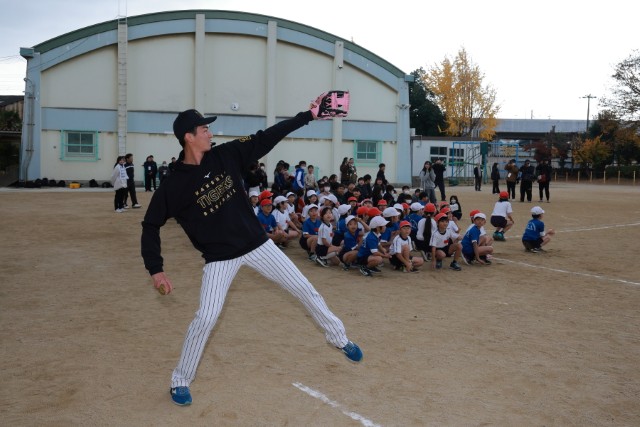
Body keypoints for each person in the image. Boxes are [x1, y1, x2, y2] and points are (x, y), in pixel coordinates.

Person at [140, 98, 363, 407]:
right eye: (204, 129)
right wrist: (156, 269)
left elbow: (266, 137)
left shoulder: (226, 155)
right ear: (188, 137)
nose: (210, 133)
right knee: (206, 317)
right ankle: (180, 379)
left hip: (258, 244)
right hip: (220, 258)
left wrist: (308, 115)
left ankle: (340, 339)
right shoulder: (173, 185)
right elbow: (150, 225)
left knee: (304, 288)